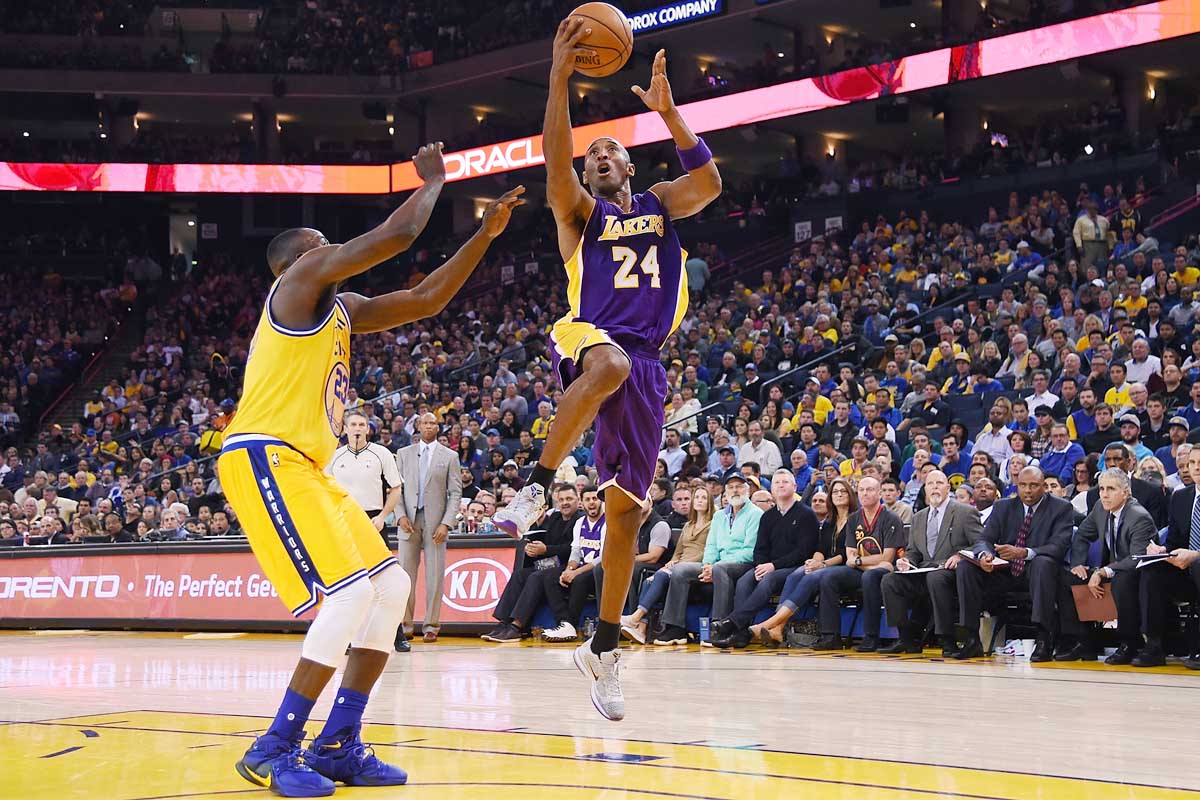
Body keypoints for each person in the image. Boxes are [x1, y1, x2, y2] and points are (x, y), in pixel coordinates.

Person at [217, 140, 522, 795]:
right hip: (264, 456)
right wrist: (437, 183)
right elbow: (398, 234)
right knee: (351, 593)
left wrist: (482, 237)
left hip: (306, 467)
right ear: (300, 261)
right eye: (324, 247)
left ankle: (338, 743)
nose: (336, 255)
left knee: (389, 591)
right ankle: (274, 748)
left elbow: (426, 299)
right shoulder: (298, 284)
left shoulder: (342, 312)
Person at [493, 20, 721, 721]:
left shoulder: (660, 204)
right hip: (592, 338)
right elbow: (555, 163)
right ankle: (534, 484)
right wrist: (559, 77)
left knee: (625, 517)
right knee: (609, 362)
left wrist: (669, 112)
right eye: (591, 155)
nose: (596, 157)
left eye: (608, 150)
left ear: (629, 164)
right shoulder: (579, 216)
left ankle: (604, 646)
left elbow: (708, 181)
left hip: (646, 369)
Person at [710, 470, 821, 648]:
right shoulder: (768, 516)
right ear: (772, 489)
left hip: (795, 568)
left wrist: (772, 566)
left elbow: (803, 552)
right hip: (769, 566)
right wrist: (762, 565)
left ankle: (733, 623)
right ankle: (740, 634)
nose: (781, 485)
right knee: (745, 580)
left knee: (769, 579)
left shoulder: (806, 515)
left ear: (795, 486)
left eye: (785, 482)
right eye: (777, 482)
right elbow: (760, 548)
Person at [1057, 468, 1156, 665]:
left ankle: (1129, 643)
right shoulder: (1100, 508)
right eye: (1102, 488)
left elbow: (1137, 558)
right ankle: (1085, 642)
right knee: (1066, 577)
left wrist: (1103, 571)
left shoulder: (1139, 517)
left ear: (1125, 493)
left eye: (1111, 489)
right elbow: (1082, 535)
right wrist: (1078, 564)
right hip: (1110, 568)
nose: (1104, 494)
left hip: (1136, 572)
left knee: (1122, 580)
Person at [880, 470, 983, 655]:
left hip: (951, 572)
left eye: (939, 483)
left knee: (936, 578)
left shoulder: (965, 512)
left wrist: (961, 556)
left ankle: (947, 639)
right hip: (922, 571)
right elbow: (913, 551)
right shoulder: (918, 516)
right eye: (930, 484)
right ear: (925, 489)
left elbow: (980, 544)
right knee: (890, 580)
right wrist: (906, 561)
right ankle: (906, 638)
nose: (935, 487)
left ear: (948, 488)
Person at [653, 474, 761, 645]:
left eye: (739, 486)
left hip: (744, 564)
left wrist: (715, 566)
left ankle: (718, 627)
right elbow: (711, 546)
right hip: (718, 564)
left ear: (747, 490)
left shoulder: (755, 514)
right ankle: (675, 628)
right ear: (725, 492)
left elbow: (750, 551)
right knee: (680, 570)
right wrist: (707, 565)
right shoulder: (719, 516)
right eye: (731, 487)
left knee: (720, 569)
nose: (735, 490)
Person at [813, 476, 904, 651]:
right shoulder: (854, 519)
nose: (864, 493)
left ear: (879, 493)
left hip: (885, 573)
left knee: (870, 578)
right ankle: (831, 636)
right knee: (828, 577)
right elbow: (849, 556)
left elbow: (888, 556)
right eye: (861, 490)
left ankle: (871, 637)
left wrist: (860, 562)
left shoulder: (891, 518)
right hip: (868, 568)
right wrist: (867, 563)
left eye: (869, 490)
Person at [395, 412, 463, 646]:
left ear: (438, 427)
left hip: (436, 523)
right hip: (408, 522)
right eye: (425, 422)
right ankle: (404, 625)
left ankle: (432, 625)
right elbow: (396, 489)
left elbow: (455, 493)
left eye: (433, 422)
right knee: (405, 576)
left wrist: (446, 522)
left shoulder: (450, 456)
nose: (428, 426)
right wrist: (400, 514)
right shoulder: (403, 455)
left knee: (435, 576)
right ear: (418, 426)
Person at [483, 484, 583, 643]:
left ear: (578, 501)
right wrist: (533, 548)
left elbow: (573, 549)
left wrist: (545, 550)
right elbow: (548, 543)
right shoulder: (555, 518)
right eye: (561, 499)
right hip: (551, 562)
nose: (565, 503)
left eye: (569, 499)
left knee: (537, 577)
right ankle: (504, 622)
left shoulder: (580, 519)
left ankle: (518, 626)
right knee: (520, 575)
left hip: (572, 565)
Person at [620, 486, 713, 644]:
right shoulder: (688, 525)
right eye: (697, 497)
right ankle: (641, 631)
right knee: (649, 580)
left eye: (703, 498)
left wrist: (682, 563)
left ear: (709, 502)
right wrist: (673, 561)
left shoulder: (713, 524)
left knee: (661, 575)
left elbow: (708, 550)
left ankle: (636, 617)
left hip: (697, 566)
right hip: (680, 564)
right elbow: (679, 550)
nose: (699, 501)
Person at [1141, 447, 1200, 669]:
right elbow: (1175, 540)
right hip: (1185, 570)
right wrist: (1162, 551)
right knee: (1152, 569)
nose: (1197, 467)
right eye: (1192, 462)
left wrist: (1196, 555)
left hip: (1197, 563)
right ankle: (1154, 645)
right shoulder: (1181, 496)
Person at [540, 486, 607, 642]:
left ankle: (572, 622)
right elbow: (575, 551)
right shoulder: (580, 523)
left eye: (595, 499)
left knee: (580, 579)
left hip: (600, 570)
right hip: (581, 567)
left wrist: (575, 573)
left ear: (602, 502)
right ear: (582, 503)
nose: (592, 503)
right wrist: (569, 570)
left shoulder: (607, 523)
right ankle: (564, 623)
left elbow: (603, 558)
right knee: (550, 577)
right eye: (587, 499)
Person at [325, 409, 403, 539]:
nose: (357, 429)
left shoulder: (382, 453)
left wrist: (382, 517)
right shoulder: (334, 456)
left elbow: (396, 488)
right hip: (343, 518)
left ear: (367, 429)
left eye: (361, 425)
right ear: (345, 429)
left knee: (377, 559)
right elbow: (325, 490)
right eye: (353, 425)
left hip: (373, 519)